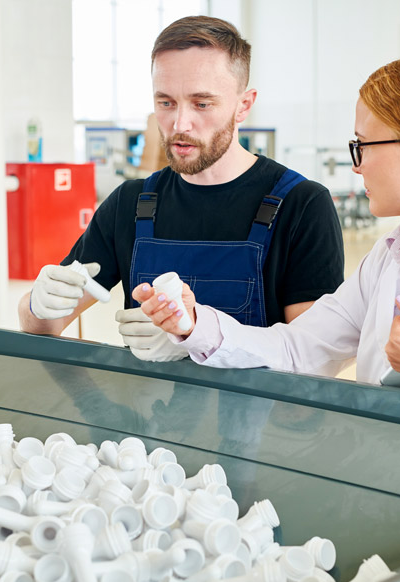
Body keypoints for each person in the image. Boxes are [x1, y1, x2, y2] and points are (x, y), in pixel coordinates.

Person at [134, 51, 400, 412]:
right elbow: (300, 350)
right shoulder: (390, 258)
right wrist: (193, 325)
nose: (356, 166)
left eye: (362, 145)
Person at [18, 16, 344, 361]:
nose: (179, 124)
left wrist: (192, 338)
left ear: (243, 105)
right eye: (166, 102)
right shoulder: (130, 204)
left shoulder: (302, 205)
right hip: (148, 413)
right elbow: (44, 328)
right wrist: (38, 305)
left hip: (260, 414)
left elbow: (315, 359)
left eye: (202, 104)